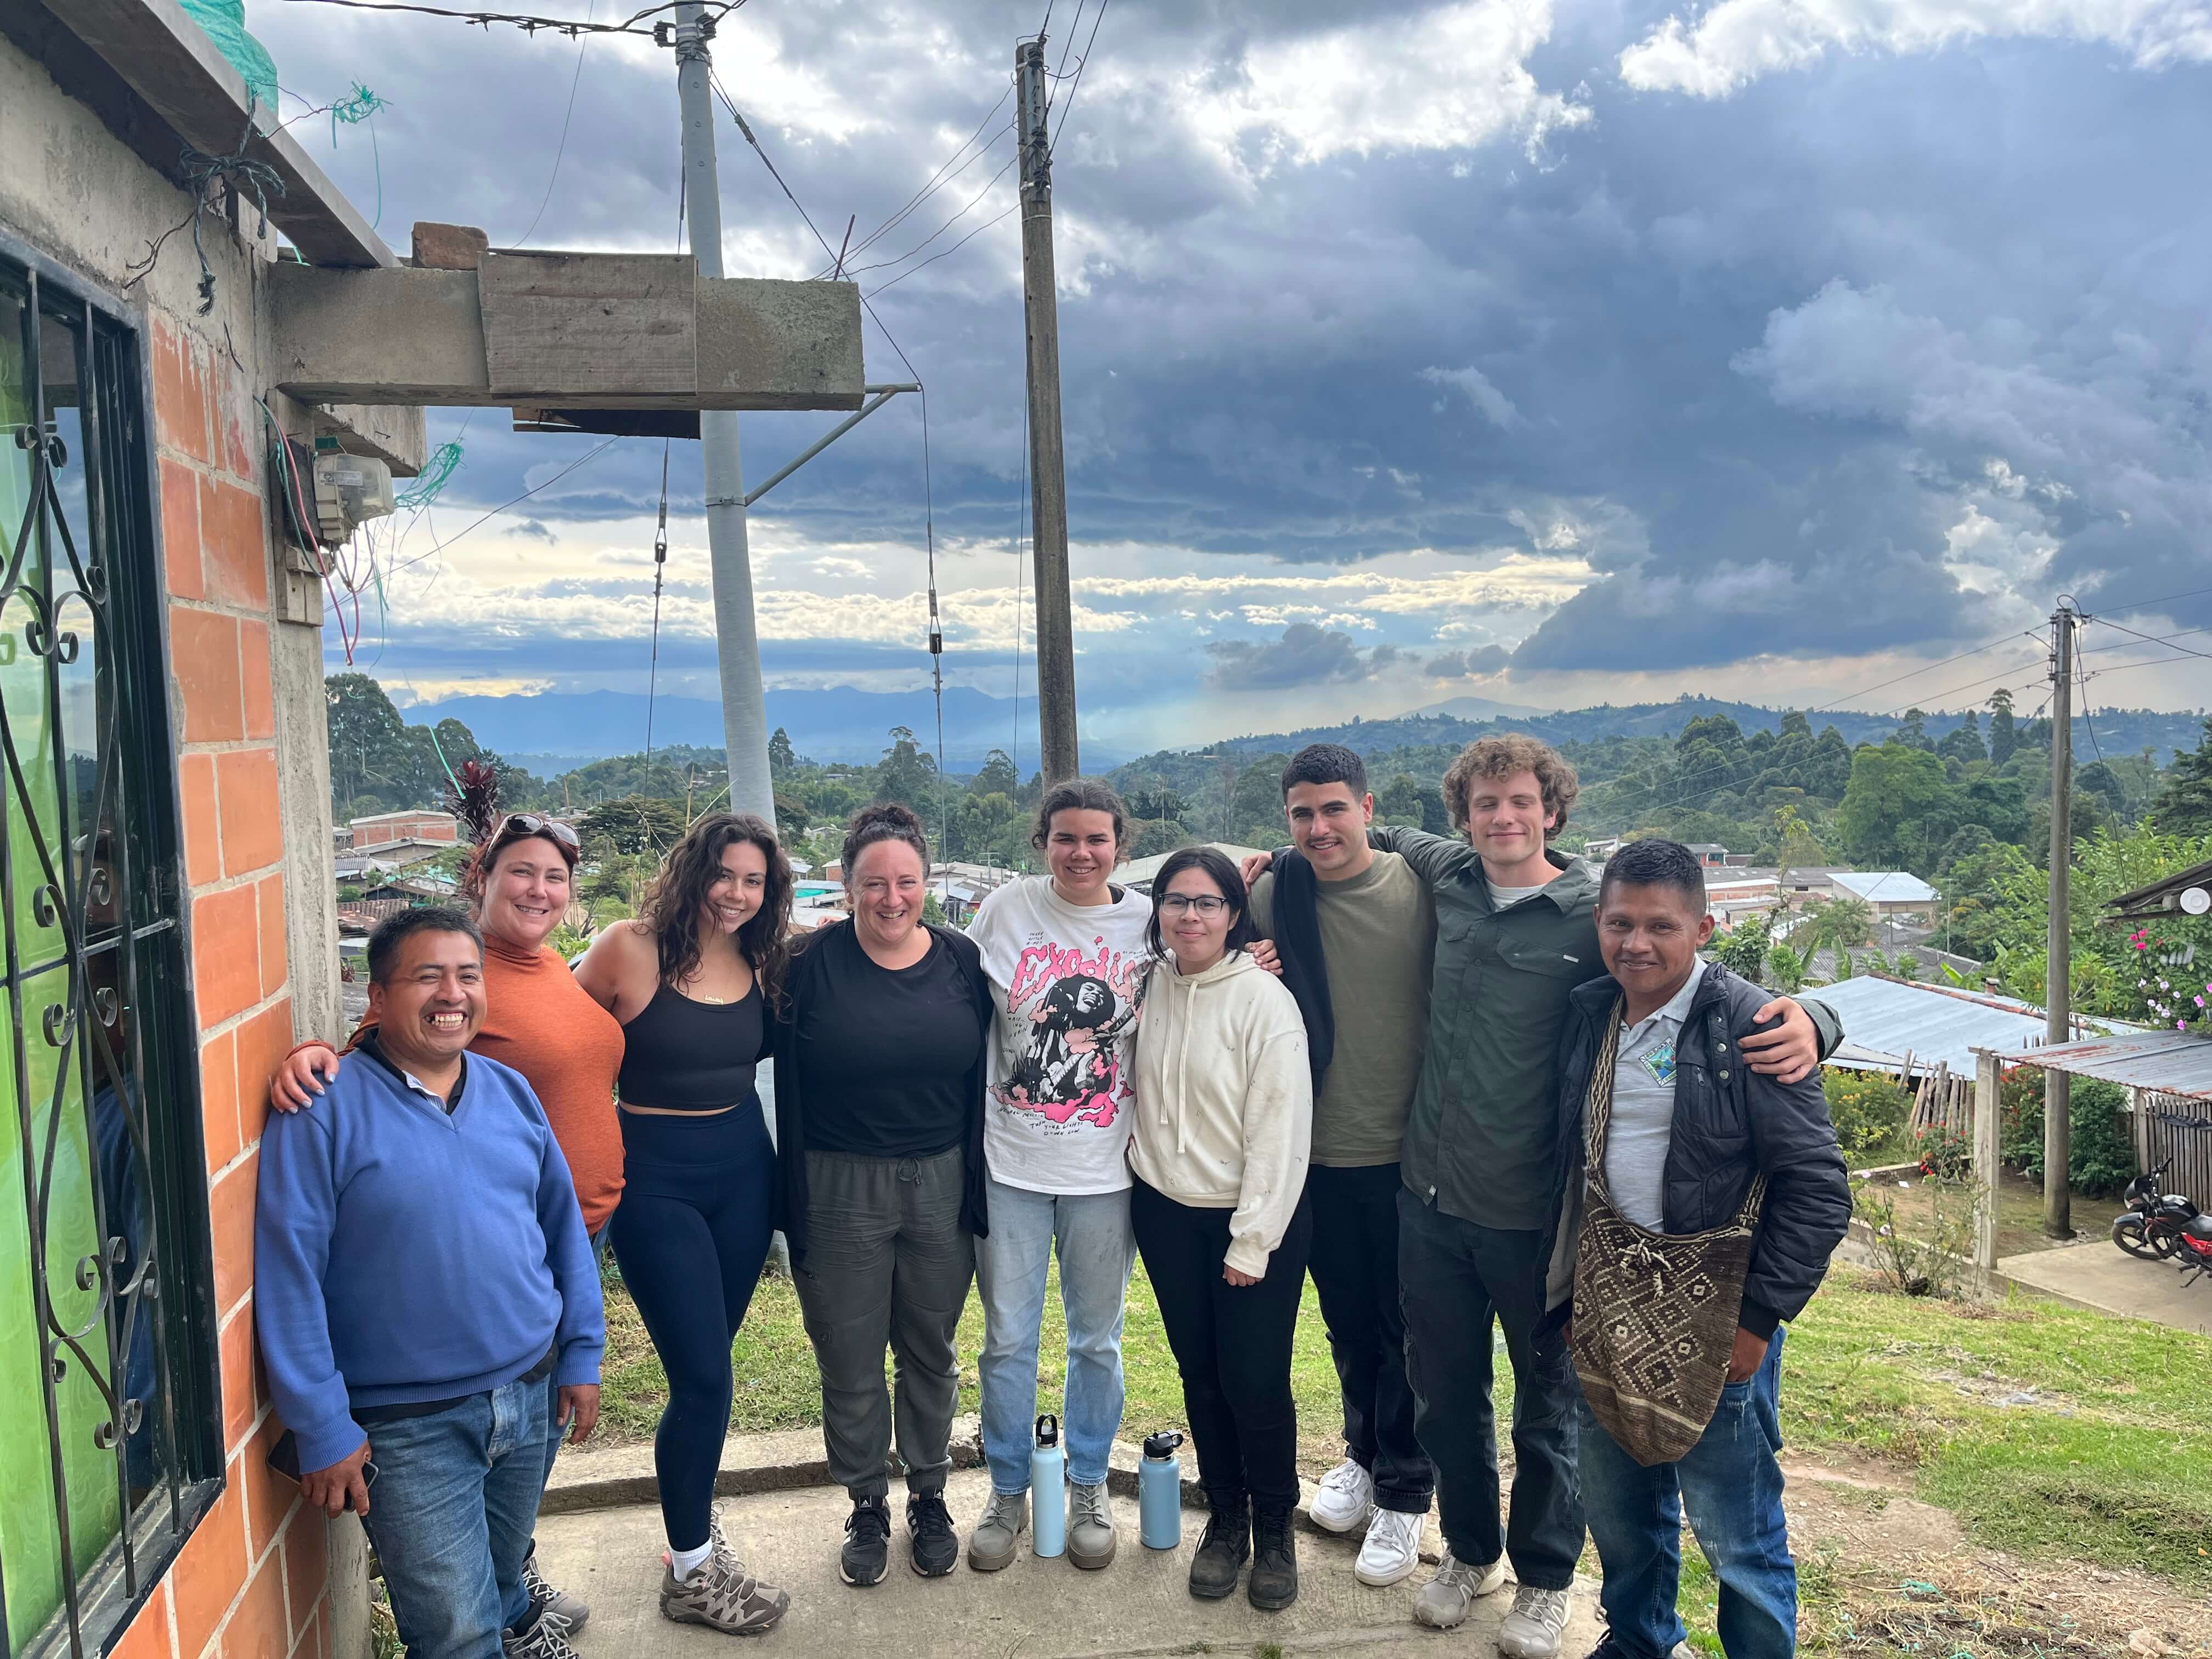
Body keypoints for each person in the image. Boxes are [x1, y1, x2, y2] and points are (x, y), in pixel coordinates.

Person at [1364, 736, 1840, 1656]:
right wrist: (1280, 854)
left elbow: (1728, 1013)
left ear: (1554, 810)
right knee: (1453, 1402)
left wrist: (1818, 1017)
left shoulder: (1599, 914)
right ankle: (1482, 1559)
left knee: (1574, 1431)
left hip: (1553, 1232)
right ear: (1463, 815)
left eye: (1521, 802)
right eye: (1484, 804)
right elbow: (1368, 828)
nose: (1503, 818)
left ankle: (1545, 1579)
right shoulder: (1457, 881)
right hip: (1447, 1206)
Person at [269, 813, 621, 1635]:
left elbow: (562, 1232)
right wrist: (322, 1424)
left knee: (501, 1585)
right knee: (454, 1631)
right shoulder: (324, 1111)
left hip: (529, 1393)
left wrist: (582, 1351)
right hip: (407, 1424)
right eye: (428, 977)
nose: (453, 995)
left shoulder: (506, 1090)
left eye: (468, 976)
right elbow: (289, 1275)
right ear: (381, 995)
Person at [1543, 839, 1850, 1659]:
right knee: (1621, 1516)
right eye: (1619, 923)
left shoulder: (1753, 1027)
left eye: (1660, 926)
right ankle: (1638, 1643)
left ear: (1704, 928)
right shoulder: (1591, 1013)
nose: (1636, 944)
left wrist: (1755, 1322)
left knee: (1738, 1538)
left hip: (1718, 1322)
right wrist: (1572, 1299)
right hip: (1607, 1312)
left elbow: (1819, 1192)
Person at [572, 812, 792, 1636]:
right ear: (693, 870)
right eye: (724, 874)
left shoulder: (762, 959)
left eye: (754, 881)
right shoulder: (629, 948)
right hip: (653, 1178)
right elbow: (548, 1029)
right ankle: (694, 1574)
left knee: (708, 1371)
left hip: (743, 1170)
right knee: (703, 1378)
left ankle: (688, 1531)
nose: (736, 894)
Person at [771, 804, 995, 1587]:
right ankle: (866, 1499)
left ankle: (929, 1494)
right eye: (874, 883)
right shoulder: (804, 966)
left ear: (927, 882)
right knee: (850, 1352)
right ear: (847, 883)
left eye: (906, 882)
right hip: (837, 1184)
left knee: (931, 1348)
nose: (892, 898)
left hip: (942, 1181)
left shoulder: (965, 962)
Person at [1243, 743, 1437, 1588]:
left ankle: (1404, 1492)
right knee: (1349, 1324)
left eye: (1334, 809)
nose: (1319, 828)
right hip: (1312, 1154)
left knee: (1407, 1335)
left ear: (1367, 805)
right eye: (1302, 814)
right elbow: (1191, 944)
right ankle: (1361, 1457)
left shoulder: (1422, 891)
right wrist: (1242, 965)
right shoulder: (1268, 892)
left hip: (1408, 1152)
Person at [964, 779, 1153, 1573]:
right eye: (1065, 838)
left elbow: (1212, 950)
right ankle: (1008, 1486)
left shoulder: (1147, 921)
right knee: (1007, 1340)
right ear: (1042, 841)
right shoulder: (1006, 909)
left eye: (1097, 840)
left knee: (1097, 1340)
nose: (1081, 853)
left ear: (1120, 846)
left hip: (1104, 1170)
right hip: (1009, 1163)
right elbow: (948, 990)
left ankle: (1084, 1481)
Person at [1127, 848, 1313, 1611]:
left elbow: (1282, 1128)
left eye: (1208, 903)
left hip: (1248, 1220)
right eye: (1177, 901)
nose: (1191, 916)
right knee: (1200, 1375)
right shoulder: (1151, 986)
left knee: (1255, 1382)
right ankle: (1226, 1519)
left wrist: (1252, 1239)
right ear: (1159, 910)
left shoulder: (1264, 1001)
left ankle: (1274, 1529)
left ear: (1236, 915)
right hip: (1166, 1213)